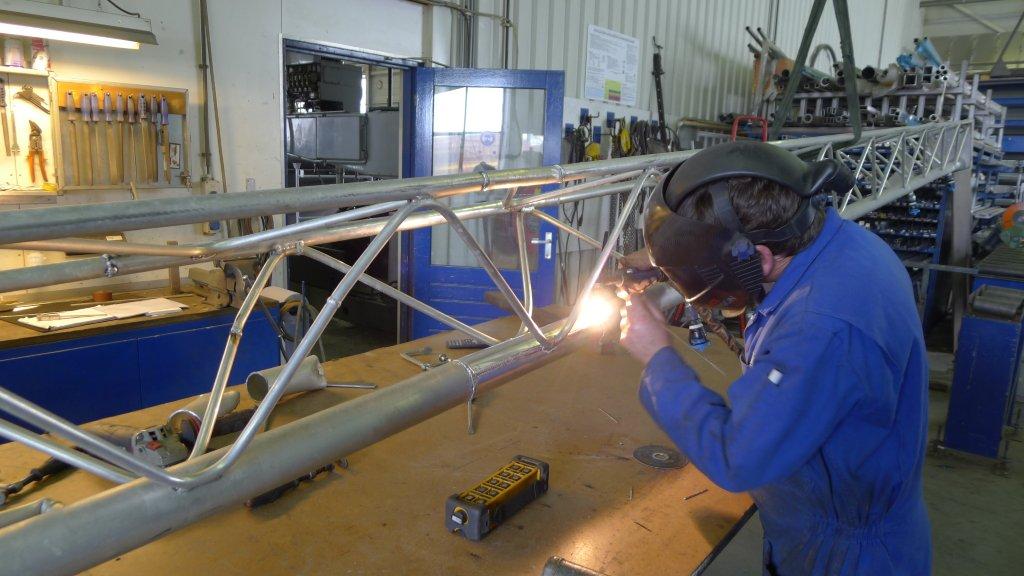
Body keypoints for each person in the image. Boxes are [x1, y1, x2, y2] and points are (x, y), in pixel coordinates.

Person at [619, 141, 931, 575]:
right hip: (844, 509)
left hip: (844, 557)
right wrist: (670, 262)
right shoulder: (839, 245)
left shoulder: (819, 326)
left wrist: (657, 357)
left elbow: (739, 457)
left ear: (756, 256)